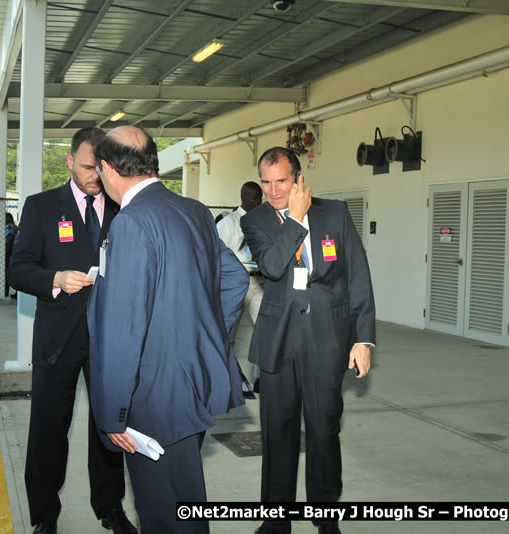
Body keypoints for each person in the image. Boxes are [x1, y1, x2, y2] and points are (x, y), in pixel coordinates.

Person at [88, 125, 248, 533]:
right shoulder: (194, 211)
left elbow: (124, 328)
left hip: (152, 396)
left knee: (162, 512)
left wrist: (113, 414)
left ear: (108, 169)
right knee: (185, 500)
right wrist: (202, 337)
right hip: (192, 384)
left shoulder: (131, 222)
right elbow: (235, 280)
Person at [241, 147, 376, 534]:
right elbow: (272, 266)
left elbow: (357, 276)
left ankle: (326, 515)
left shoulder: (335, 213)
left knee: (323, 430)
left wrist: (363, 339)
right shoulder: (256, 220)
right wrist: (295, 220)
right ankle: (276, 520)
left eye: (281, 181)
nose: (273, 190)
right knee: (278, 433)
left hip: (327, 338)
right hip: (279, 339)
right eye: (266, 182)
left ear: (299, 179)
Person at [8, 127, 136, 534]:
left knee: (108, 427)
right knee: (48, 429)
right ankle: (45, 514)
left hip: (109, 338)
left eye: (100, 167)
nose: (94, 176)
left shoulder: (122, 207)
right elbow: (18, 269)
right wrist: (55, 278)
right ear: (69, 161)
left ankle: (110, 506)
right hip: (57, 339)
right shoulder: (43, 206)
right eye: (86, 167)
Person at [216, 181, 265, 391]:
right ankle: (224, 378)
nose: (258, 202)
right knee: (228, 333)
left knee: (264, 330)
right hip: (235, 284)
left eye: (260, 198)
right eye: (255, 197)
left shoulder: (262, 222)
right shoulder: (228, 223)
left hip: (258, 282)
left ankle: (261, 378)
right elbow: (216, 255)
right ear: (244, 197)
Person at [4, 212, 19, 297]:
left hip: (10, 252)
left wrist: (4, 253)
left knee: (7, 272)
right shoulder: (10, 227)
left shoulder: (10, 228)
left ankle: (5, 291)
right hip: (12, 252)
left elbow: (9, 241)